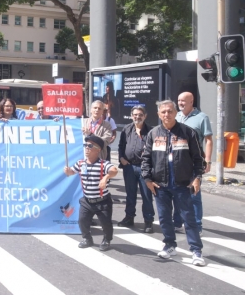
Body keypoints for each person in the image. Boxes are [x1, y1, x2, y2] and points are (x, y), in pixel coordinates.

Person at [141, 100, 205, 266]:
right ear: (158, 114)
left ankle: (196, 250)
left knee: (189, 218)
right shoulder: (153, 134)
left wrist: (197, 177)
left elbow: (199, 159)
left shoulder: (187, 132)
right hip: (160, 185)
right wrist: (147, 179)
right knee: (164, 218)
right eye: (163, 112)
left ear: (175, 113)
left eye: (169, 111)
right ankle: (170, 245)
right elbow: (146, 158)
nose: (166, 115)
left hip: (182, 184)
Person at [64, 135, 118, 251]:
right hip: (87, 200)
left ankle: (107, 239)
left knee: (106, 223)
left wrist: (106, 177)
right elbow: (72, 172)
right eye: (85, 145)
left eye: (90, 146)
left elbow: (114, 170)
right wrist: (68, 171)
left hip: (102, 201)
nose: (87, 148)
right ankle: (87, 239)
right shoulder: (81, 163)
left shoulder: (103, 164)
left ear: (98, 149)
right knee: (82, 221)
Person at [173, 91, 213, 235]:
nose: (180, 103)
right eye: (179, 100)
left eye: (183, 100)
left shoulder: (202, 118)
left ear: (191, 101)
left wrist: (208, 160)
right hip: (177, 161)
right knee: (176, 192)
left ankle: (196, 225)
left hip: (194, 161)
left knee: (194, 194)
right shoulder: (176, 116)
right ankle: (177, 222)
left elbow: (208, 140)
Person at [117, 105, 154, 233]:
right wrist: (121, 158)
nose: (137, 117)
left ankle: (148, 221)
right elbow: (121, 146)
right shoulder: (127, 129)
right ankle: (129, 217)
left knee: (146, 195)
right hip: (129, 167)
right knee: (130, 194)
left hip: (145, 168)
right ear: (132, 116)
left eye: (140, 115)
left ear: (145, 116)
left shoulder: (151, 131)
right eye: (135, 115)